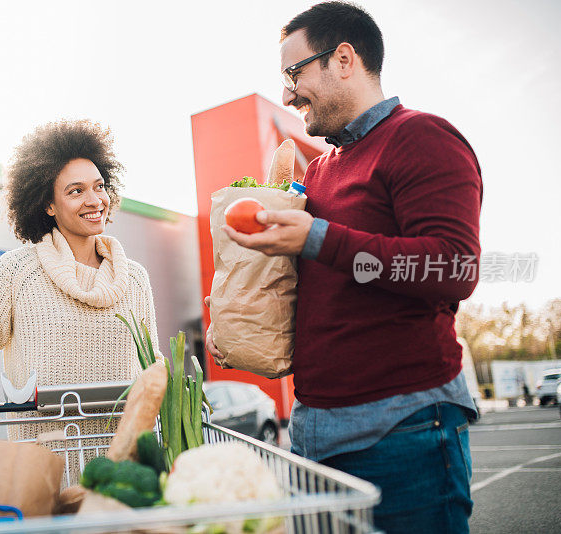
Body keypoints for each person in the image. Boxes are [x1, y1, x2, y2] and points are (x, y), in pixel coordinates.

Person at [205, 2, 481, 532]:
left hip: (404, 432)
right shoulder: (320, 171)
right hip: (312, 437)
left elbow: (453, 268)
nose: (288, 93)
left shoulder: (422, 137)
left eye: (294, 72)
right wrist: (243, 322)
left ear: (345, 59)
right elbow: (320, 290)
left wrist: (319, 238)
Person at [0, 119, 160, 464]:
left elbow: (152, 363)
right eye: (76, 191)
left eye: (99, 186)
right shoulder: (17, 271)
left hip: (126, 469)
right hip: (45, 471)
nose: (95, 200)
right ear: (48, 205)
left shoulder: (134, 278)